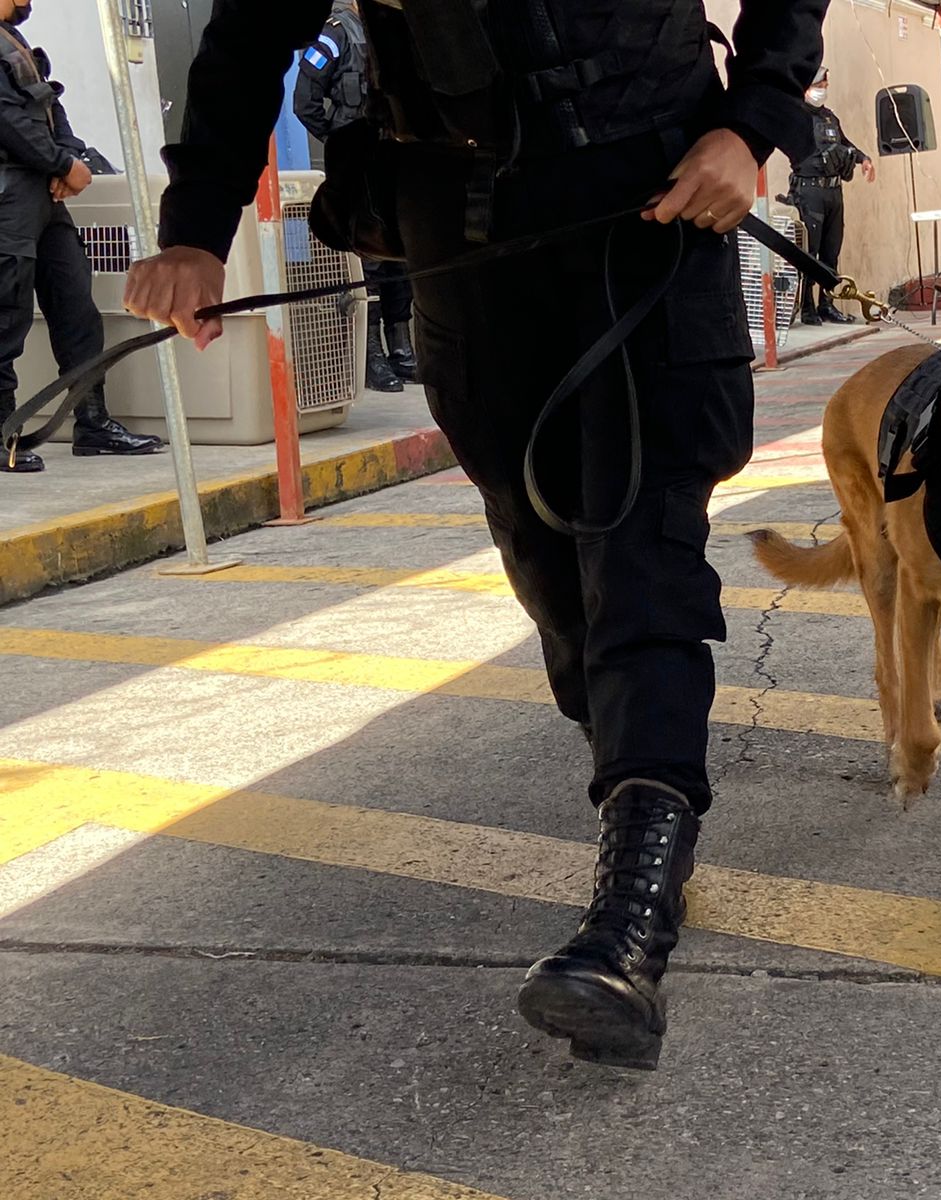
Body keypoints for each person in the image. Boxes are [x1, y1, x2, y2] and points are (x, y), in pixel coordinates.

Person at [126, 0, 825, 1069]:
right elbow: (249, 33)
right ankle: (647, 808)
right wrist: (194, 228)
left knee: (640, 550)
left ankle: (629, 925)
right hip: (461, 225)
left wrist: (755, 120)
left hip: (653, 193)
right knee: (547, 564)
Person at [0, 0, 162, 473]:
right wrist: (61, 164)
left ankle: (92, 423)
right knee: (6, 315)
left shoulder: (15, 41)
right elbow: (7, 122)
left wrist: (71, 157)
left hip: (42, 194)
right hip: (11, 192)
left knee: (76, 307)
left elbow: (50, 106)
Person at [292, 0, 415, 392]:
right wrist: (339, 142)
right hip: (361, 168)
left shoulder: (398, 23)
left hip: (397, 160)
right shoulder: (337, 33)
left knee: (403, 257)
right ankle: (373, 356)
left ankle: (403, 350)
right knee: (371, 264)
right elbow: (305, 100)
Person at [790, 67, 873, 325]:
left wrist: (863, 159)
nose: (823, 89)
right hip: (809, 191)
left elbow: (846, 144)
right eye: (819, 84)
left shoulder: (829, 118)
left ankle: (827, 304)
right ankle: (808, 307)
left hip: (833, 191)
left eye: (825, 84)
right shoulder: (796, 117)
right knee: (809, 252)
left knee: (831, 251)